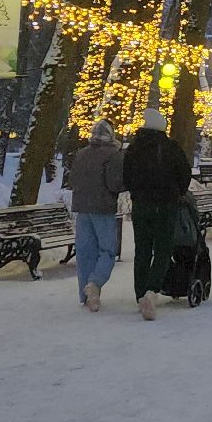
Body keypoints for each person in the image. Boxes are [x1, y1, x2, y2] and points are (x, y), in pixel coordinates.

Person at [121, 107, 193, 321]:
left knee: (142, 249)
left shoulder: (134, 148)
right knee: (163, 248)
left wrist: (137, 193)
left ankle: (140, 293)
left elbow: (126, 177)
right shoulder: (171, 148)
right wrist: (177, 193)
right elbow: (184, 174)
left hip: (141, 205)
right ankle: (152, 291)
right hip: (166, 205)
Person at [66, 121, 125, 312]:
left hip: (83, 208)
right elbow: (115, 183)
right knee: (107, 250)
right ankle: (95, 283)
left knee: (85, 251)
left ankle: (85, 294)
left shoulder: (81, 154)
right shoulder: (113, 155)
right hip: (104, 208)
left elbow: (72, 180)